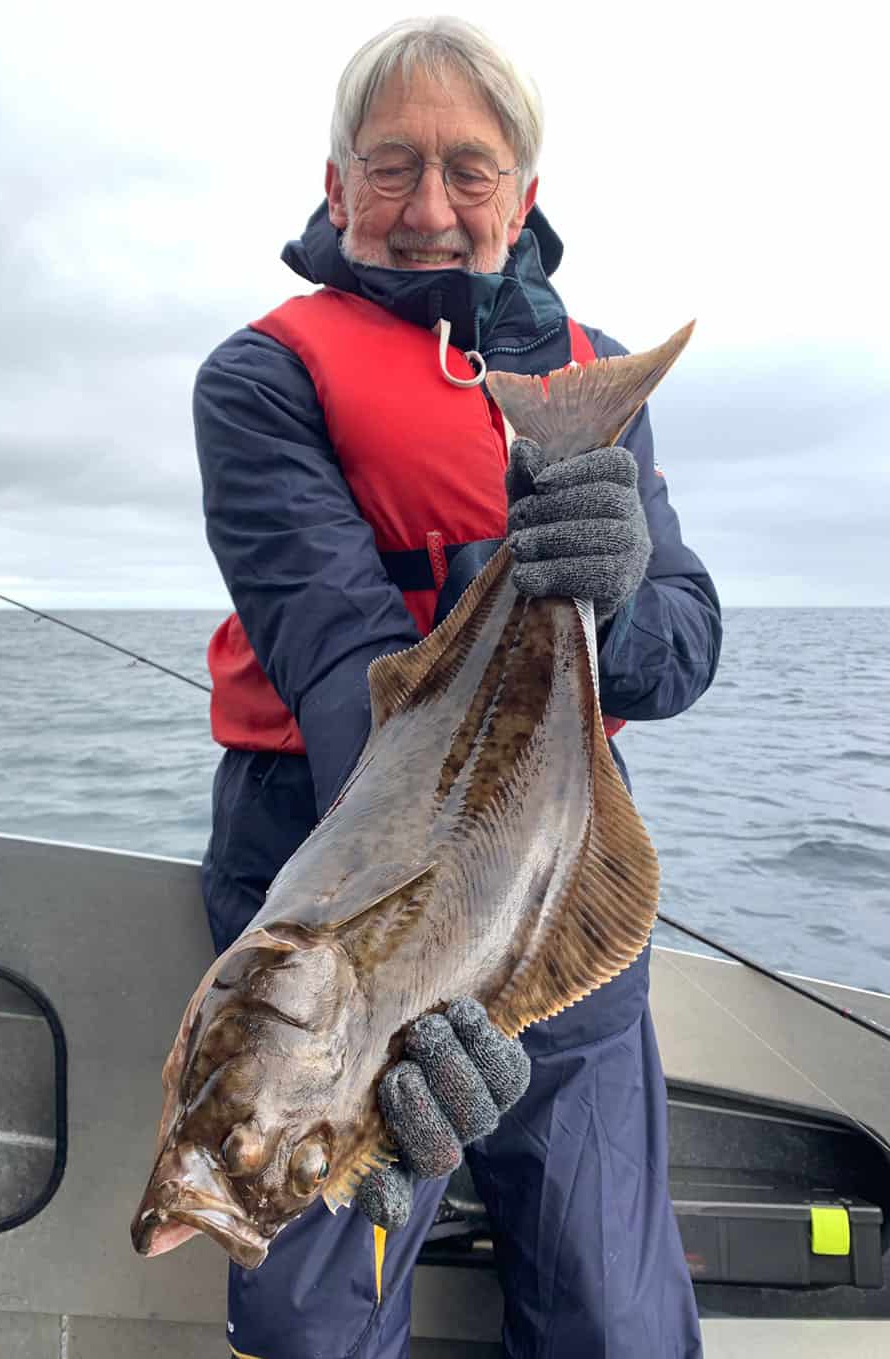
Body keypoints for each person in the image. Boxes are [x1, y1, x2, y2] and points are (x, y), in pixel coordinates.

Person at [194, 17, 721, 1359]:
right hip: (325, 882)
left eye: (470, 172)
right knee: (314, 1314)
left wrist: (614, 588)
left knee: (615, 1314)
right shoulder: (262, 376)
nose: (430, 207)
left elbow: (681, 645)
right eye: (393, 167)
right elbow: (340, 667)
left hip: (563, 862)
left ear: (524, 197)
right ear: (337, 187)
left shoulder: (592, 382)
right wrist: (401, 983)